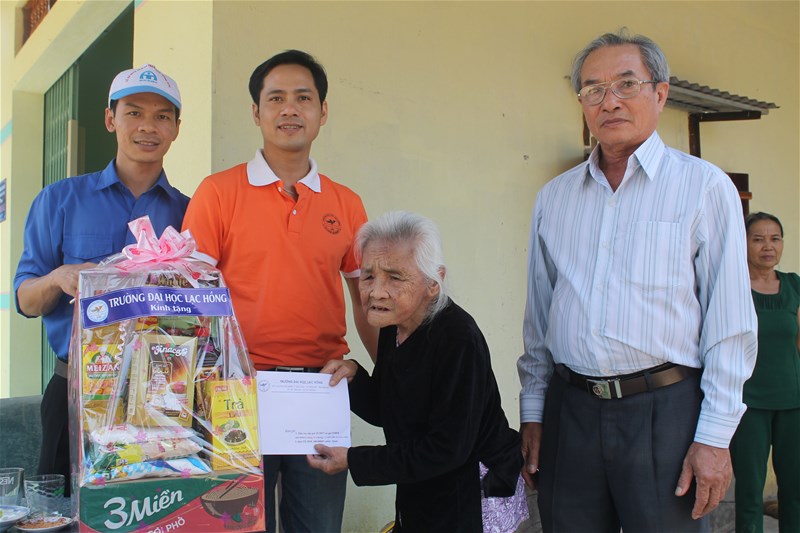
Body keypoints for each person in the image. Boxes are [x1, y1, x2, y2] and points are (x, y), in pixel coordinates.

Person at [517, 29, 758, 532]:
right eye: (593, 89)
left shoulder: (702, 187)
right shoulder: (554, 198)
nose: (610, 101)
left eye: (627, 84)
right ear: (581, 103)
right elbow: (539, 317)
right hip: (571, 410)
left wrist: (714, 437)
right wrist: (534, 410)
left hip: (665, 411)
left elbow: (729, 323)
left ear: (660, 93)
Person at [182, 50, 377, 532]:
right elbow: (190, 299)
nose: (290, 109)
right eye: (276, 99)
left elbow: (367, 301)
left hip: (320, 389)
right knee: (236, 524)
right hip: (236, 390)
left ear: (323, 112)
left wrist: (387, 378)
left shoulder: (346, 204)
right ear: (256, 112)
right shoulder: (217, 193)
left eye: (303, 98)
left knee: (319, 525)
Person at [14, 64, 189, 495]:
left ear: (176, 128)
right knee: (61, 510)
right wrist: (58, 277)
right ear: (111, 119)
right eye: (134, 113)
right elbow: (26, 300)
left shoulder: (190, 213)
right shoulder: (59, 200)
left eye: (162, 116)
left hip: (162, 397)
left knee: (152, 510)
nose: (147, 126)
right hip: (73, 391)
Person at [307, 211, 524, 533]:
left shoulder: (457, 338)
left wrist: (354, 460)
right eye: (368, 276)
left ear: (433, 283)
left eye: (394, 278)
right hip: (422, 489)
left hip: (467, 496)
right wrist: (353, 378)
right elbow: (390, 410)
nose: (376, 292)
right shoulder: (393, 324)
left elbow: (447, 448)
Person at [730, 212, 800, 532]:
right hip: (749, 404)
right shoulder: (732, 287)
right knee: (749, 493)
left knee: (795, 491)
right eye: (758, 239)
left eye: (775, 239)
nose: (768, 246)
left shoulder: (794, 285)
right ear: (743, 243)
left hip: (793, 403)